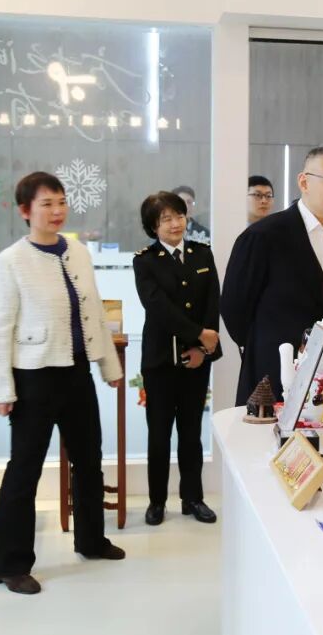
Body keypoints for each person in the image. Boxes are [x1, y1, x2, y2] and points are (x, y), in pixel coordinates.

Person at [0, 171, 125, 596]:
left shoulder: (77, 252)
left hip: (77, 372)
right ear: (25, 211)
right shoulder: (9, 261)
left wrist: (110, 367)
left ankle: (91, 540)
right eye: (46, 203)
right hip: (34, 377)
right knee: (24, 470)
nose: (57, 210)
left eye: (61, 201)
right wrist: (1, 389)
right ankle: (9, 564)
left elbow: (94, 313)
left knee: (89, 459)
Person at [222, 144, 323, 405]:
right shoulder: (263, 236)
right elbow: (234, 307)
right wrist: (260, 346)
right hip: (269, 370)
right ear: (304, 182)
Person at [133, 191, 222, 527]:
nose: (175, 223)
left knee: (191, 432)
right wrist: (198, 334)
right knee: (159, 435)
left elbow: (212, 302)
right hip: (160, 362)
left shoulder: (202, 253)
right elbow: (157, 307)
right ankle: (157, 501)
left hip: (196, 362)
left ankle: (193, 498)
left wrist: (203, 348)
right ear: (153, 226)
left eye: (179, 216)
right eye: (166, 219)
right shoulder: (145, 261)